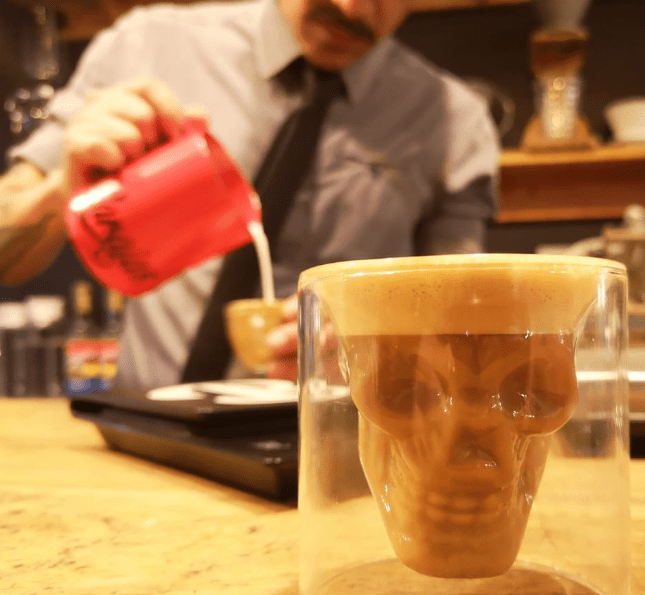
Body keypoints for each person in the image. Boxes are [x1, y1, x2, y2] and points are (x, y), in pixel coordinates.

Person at [0, 0, 499, 391]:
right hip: (144, 443)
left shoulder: (454, 121)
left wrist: (386, 352)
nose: (353, 9)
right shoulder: (147, 45)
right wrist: (57, 189)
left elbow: (467, 324)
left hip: (337, 457)